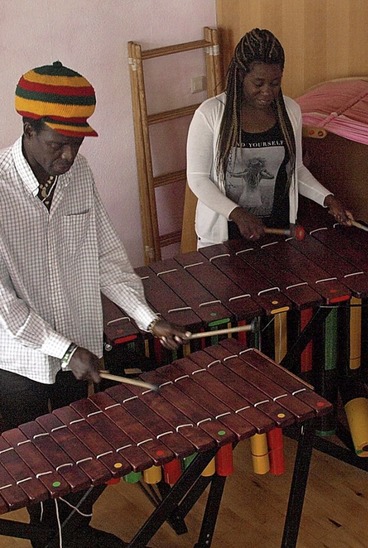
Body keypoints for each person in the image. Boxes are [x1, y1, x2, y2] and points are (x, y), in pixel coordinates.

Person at [0, 61, 190, 547]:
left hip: (79, 350)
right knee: (30, 470)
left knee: (74, 467)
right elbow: (3, 305)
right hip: (19, 362)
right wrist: (63, 350)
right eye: (56, 144)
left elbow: (105, 256)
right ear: (27, 127)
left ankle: (66, 534)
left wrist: (149, 320)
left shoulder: (77, 173)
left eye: (77, 143)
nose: (68, 156)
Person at [187, 28, 352, 247]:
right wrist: (236, 213)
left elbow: (295, 169)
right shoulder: (210, 114)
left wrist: (327, 199)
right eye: (258, 83)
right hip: (223, 238)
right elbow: (198, 179)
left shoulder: (290, 112)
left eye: (275, 83)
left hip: (279, 233)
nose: (267, 91)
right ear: (240, 75)